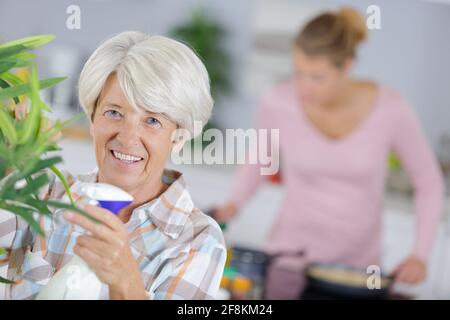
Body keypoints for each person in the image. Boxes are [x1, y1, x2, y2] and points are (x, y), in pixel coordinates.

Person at [214, 8, 444, 299]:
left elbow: (429, 183)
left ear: (346, 66)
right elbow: (258, 163)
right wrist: (233, 204)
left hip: (356, 270)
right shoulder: (277, 102)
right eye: (298, 72)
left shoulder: (391, 110)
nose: (303, 87)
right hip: (289, 258)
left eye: (317, 77)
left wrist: (420, 254)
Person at [0, 31, 226, 300]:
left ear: (178, 137)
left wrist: (127, 284)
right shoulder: (42, 192)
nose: (127, 138)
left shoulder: (197, 240)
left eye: (152, 120)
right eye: (114, 112)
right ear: (93, 119)